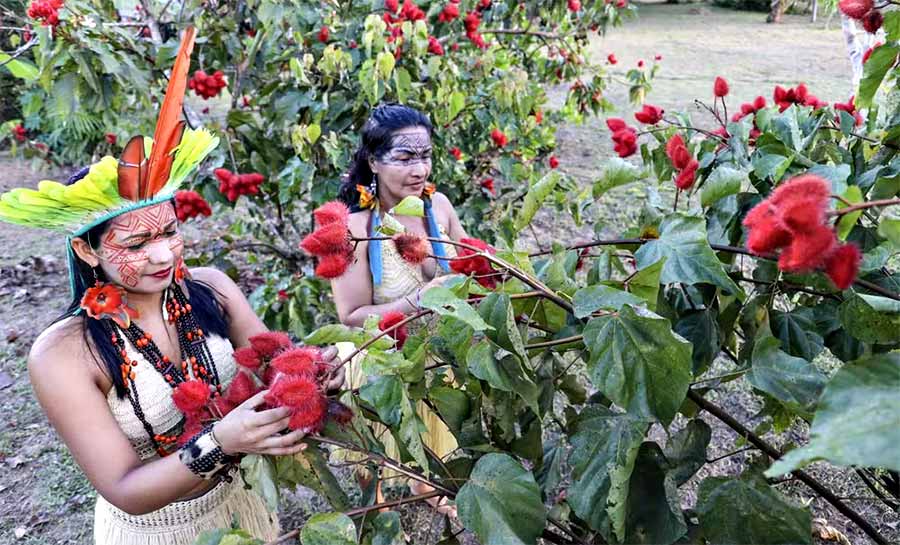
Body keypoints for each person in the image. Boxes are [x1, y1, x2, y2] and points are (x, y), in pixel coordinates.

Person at [0, 27, 340, 545]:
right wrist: (220, 442)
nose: (162, 255)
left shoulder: (213, 289)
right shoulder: (63, 354)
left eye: (170, 232)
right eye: (135, 245)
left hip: (245, 510)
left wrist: (318, 373)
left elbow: (275, 366)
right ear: (87, 250)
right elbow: (123, 487)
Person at [330, 103, 467, 514]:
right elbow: (351, 316)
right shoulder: (354, 230)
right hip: (382, 359)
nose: (419, 169)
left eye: (424, 156)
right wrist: (422, 299)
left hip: (436, 352)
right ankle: (380, 499)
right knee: (379, 472)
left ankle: (434, 486)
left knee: (442, 456)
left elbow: (470, 261)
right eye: (404, 158)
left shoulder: (438, 206)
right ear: (373, 161)